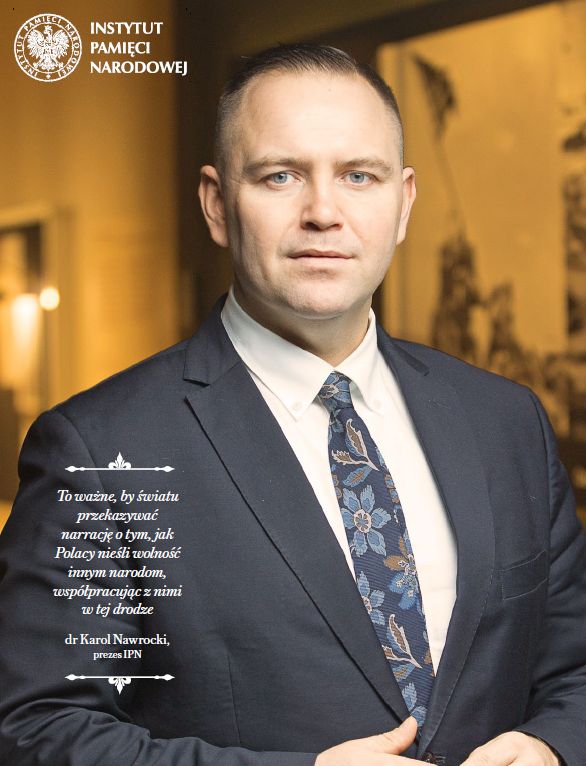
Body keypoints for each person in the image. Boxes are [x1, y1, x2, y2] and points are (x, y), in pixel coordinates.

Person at [0, 43, 584, 766]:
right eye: (281, 176)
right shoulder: (101, 452)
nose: (323, 213)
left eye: (359, 176)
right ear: (217, 204)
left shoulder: (507, 422)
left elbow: (574, 669)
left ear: (403, 204)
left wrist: (551, 746)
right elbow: (40, 729)